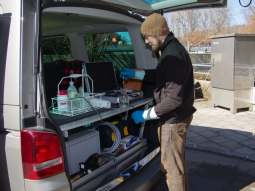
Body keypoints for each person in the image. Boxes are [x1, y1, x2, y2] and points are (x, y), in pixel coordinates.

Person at [120, 13, 196, 191]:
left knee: (171, 169)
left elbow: (173, 99)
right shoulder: (172, 49)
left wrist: (145, 115)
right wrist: (136, 74)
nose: (146, 42)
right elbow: (161, 75)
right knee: (177, 165)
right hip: (178, 117)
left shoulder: (171, 55)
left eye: (147, 37)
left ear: (157, 32)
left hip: (173, 121)